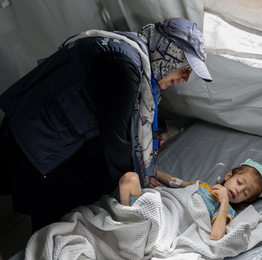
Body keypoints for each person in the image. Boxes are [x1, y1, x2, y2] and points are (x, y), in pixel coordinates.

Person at [0, 17, 212, 233]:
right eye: (184, 68)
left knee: (94, 185)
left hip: (53, 130)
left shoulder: (130, 55)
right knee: (53, 219)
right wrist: (129, 175)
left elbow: (119, 124)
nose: (185, 78)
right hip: (34, 139)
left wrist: (138, 169)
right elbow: (115, 136)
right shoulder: (122, 64)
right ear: (168, 52)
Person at [118, 158, 262, 240]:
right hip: (166, 206)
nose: (239, 190)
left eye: (245, 192)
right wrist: (151, 172)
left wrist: (224, 203)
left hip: (172, 225)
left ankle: (130, 228)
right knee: (130, 178)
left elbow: (216, 235)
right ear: (229, 175)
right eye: (240, 183)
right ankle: (128, 220)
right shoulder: (202, 186)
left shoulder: (226, 211)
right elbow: (174, 181)